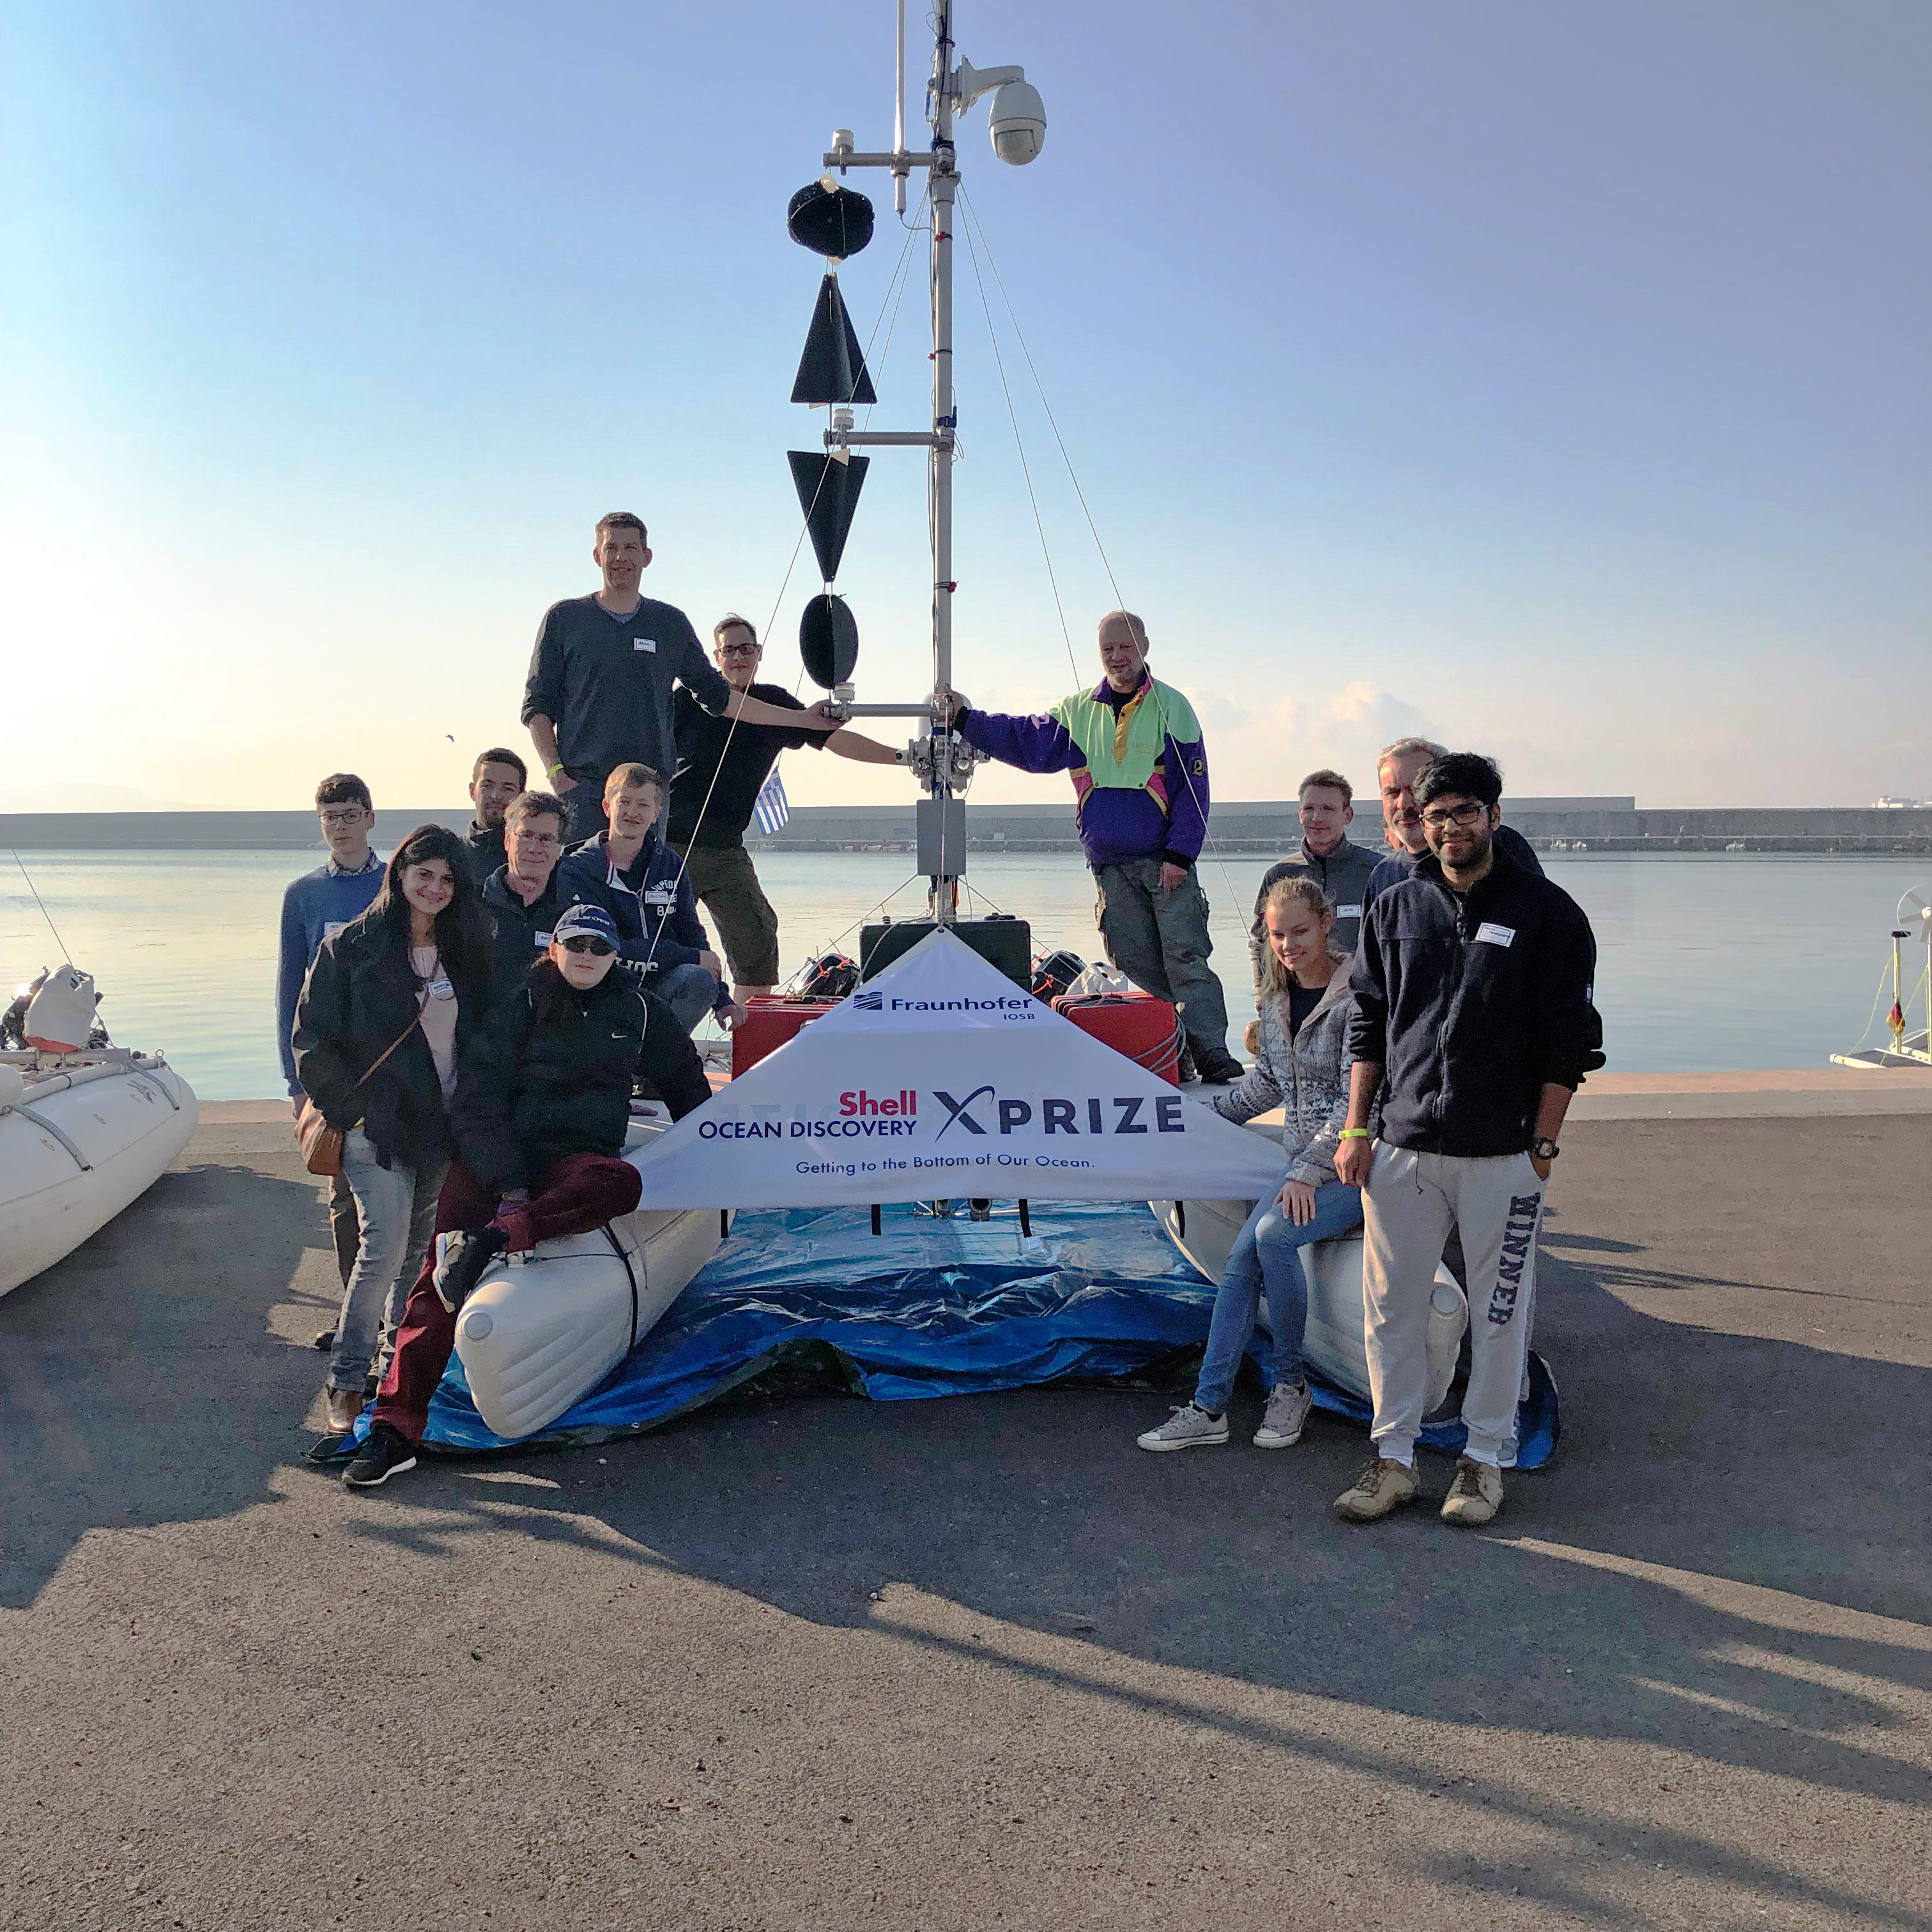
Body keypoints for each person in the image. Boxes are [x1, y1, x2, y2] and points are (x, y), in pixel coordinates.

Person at [343, 903, 712, 1488]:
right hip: (499, 1160)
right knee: (434, 1282)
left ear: (615, 955)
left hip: (574, 1160)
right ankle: (395, 1426)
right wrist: (510, 1186)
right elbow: (478, 1103)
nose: (588, 956)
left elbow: (688, 1084)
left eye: (600, 947)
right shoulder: (520, 1007)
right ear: (556, 949)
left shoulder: (639, 1012)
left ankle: (489, 1243)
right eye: (577, 945)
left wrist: (716, 1150)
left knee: (620, 1182)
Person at [1333, 753, 1604, 1528]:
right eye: (1435, 815)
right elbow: (1370, 1023)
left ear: (1492, 816)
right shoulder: (1396, 907)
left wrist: (1542, 1150)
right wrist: (1358, 1127)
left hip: (1503, 1155)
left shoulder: (1550, 915)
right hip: (1403, 1147)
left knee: (1499, 1312)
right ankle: (1393, 1459)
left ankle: (1484, 1462)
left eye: (1464, 812)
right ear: (1419, 824)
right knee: (1391, 1310)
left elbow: (1570, 1045)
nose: (1450, 827)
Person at [942, 611, 1243, 1084]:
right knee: (1135, 967)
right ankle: (1168, 1055)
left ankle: (1212, 1054)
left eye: (1125, 646)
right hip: (1110, 868)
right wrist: (966, 720)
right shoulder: (1078, 711)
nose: (1117, 657)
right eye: (1108, 650)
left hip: (1166, 865)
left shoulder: (1174, 707)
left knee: (1186, 959)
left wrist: (1181, 855)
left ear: (1145, 645)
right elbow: (1027, 742)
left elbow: (1194, 789)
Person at [1137, 878, 1365, 1453]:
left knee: (1273, 1239)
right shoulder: (1275, 996)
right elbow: (1266, 1084)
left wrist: (1307, 1172)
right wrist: (1197, 1124)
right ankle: (1209, 1406)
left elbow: (1356, 1101)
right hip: (1299, 1166)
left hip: (1353, 1164)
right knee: (1242, 1261)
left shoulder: (1359, 996)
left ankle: (1290, 1385)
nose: (1287, 945)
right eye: (1276, 934)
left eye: (1298, 932)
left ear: (1327, 924)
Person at [292, 825, 493, 1457]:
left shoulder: (467, 948)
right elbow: (312, 1039)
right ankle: (346, 1384)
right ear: (401, 872)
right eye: (423, 874)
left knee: (414, 1259)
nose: (433, 888)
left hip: (439, 1129)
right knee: (380, 1253)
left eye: (445, 879)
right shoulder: (352, 946)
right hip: (374, 1128)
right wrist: (350, 1114)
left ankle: (388, 1375)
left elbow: (481, 1036)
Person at [523, 511, 842, 842]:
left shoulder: (669, 624)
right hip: (584, 790)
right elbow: (537, 706)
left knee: (643, 893)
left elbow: (722, 700)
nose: (620, 557)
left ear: (646, 557)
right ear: (597, 556)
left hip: (648, 793)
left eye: (631, 548)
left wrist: (803, 719)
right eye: (611, 547)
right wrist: (557, 775)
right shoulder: (566, 618)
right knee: (581, 890)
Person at [667, 614, 904, 1002]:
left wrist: (900, 758)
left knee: (757, 940)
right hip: (673, 847)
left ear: (758, 653)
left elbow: (835, 740)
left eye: (747, 648)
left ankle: (747, 1040)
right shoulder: (685, 700)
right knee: (663, 945)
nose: (738, 657)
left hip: (726, 849)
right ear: (716, 657)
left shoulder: (775, 703)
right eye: (730, 650)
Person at [276, 774, 385, 1308]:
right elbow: (289, 990)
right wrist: (293, 1080)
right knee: (343, 1194)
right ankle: (352, 1316)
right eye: (329, 817)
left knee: (402, 1191)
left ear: (370, 817)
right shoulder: (303, 896)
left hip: (392, 1058)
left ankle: (400, 1320)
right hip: (331, 1067)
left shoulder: (398, 882)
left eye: (349, 813)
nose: (340, 826)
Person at [555, 763, 731, 1033]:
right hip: (602, 985)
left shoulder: (670, 864)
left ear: (656, 813)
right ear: (607, 807)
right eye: (624, 802)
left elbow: (691, 932)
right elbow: (604, 948)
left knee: (699, 981)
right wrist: (689, 956)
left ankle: (656, 1065)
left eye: (643, 805)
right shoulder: (578, 868)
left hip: (661, 984)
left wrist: (722, 999)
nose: (633, 813)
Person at [1246, 767, 1380, 998]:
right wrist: (1262, 990)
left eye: (1328, 809)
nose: (1317, 818)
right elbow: (1261, 941)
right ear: (1300, 815)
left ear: (1348, 815)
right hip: (1296, 998)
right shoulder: (1279, 875)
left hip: (1360, 999)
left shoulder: (1376, 870)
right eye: (1309, 809)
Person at [1364, 736, 1543, 906]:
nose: (1403, 804)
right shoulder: (1383, 875)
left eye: (1414, 790)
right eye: (1393, 793)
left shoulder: (1502, 845)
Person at [480, 789, 570, 992]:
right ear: (507, 840)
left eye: (546, 839)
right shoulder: (472, 907)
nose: (534, 848)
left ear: (559, 849)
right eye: (525, 835)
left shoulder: (570, 920)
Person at [464, 747, 528, 888]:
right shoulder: (452, 856)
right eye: (487, 786)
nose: (495, 796)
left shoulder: (534, 856)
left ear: (521, 796)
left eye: (507, 788)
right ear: (472, 791)